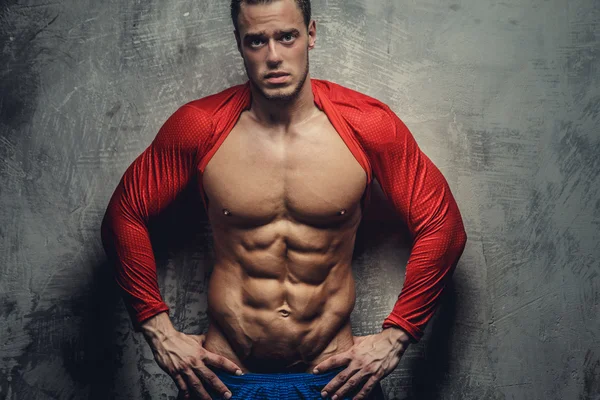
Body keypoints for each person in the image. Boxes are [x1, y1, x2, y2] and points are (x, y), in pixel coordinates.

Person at [100, 0, 468, 399]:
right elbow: (125, 214)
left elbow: (442, 225)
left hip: (334, 378)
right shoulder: (200, 126)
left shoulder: (366, 125)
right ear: (239, 43)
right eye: (256, 41)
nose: (273, 56)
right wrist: (157, 330)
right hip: (223, 379)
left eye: (286, 36)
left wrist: (397, 335)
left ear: (310, 34)